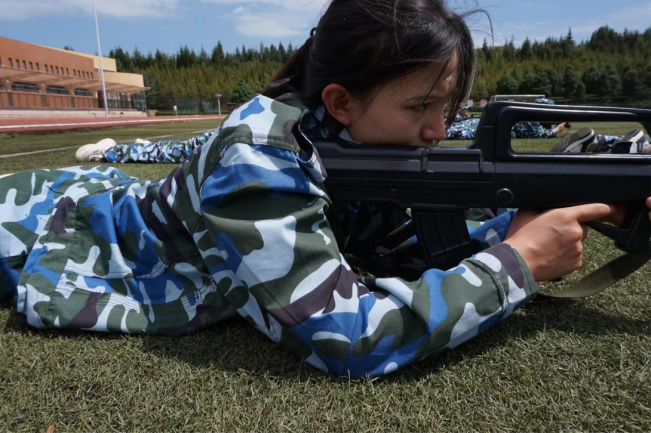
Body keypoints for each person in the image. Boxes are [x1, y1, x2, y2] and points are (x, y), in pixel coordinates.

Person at [0, 0, 645, 379]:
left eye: (446, 106)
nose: (437, 130)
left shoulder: (345, 138)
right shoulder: (257, 160)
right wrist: (517, 263)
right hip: (46, 230)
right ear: (340, 101)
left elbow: (401, 251)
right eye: (420, 107)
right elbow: (349, 338)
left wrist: (546, 216)